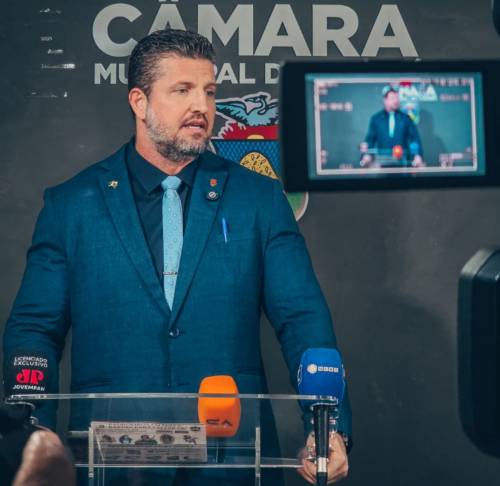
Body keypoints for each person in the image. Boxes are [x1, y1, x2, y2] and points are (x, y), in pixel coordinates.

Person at [3, 29, 351, 485]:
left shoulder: (260, 199)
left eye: (209, 91)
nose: (201, 106)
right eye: (182, 90)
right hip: (112, 464)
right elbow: (34, 330)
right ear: (139, 101)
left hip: (231, 459)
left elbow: (302, 320)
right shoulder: (71, 205)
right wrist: (33, 434)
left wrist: (327, 428)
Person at [361, 85, 424, 168]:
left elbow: (414, 139)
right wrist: (367, 155)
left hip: (402, 164)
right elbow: (370, 140)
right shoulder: (376, 119)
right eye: (392, 98)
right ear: (385, 100)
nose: (396, 101)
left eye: (397, 98)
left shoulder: (406, 118)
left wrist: (417, 155)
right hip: (383, 164)